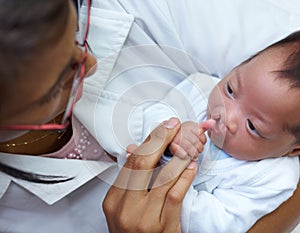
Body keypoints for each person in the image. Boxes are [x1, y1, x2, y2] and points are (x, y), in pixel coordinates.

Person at [0, 1, 299, 233]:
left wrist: (171, 191)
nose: (90, 64)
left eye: (78, 38)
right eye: (61, 80)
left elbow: (221, 224)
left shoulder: (273, 177)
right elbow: (156, 113)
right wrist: (171, 134)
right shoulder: (203, 89)